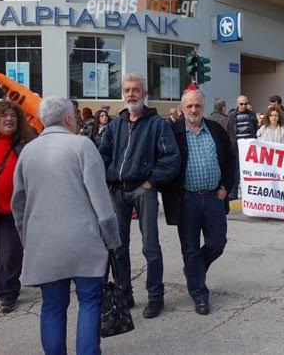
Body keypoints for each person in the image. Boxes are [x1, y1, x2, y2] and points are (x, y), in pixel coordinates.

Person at [12, 96, 121, 354]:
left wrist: (27, 239)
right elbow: (101, 202)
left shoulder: (28, 151)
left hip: (44, 244)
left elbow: (18, 203)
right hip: (84, 242)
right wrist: (113, 240)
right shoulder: (82, 146)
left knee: (52, 306)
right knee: (90, 302)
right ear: (70, 118)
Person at [99, 73, 181, 319]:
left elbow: (171, 158)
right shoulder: (115, 126)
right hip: (118, 191)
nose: (131, 94)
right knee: (119, 247)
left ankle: (155, 296)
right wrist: (110, 177)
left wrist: (152, 180)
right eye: (127, 90)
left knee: (150, 247)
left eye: (136, 90)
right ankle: (125, 292)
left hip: (143, 191)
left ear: (144, 94)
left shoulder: (157, 125)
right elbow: (101, 156)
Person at [161, 90, 234, 315]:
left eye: (197, 106)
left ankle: (194, 271)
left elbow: (230, 161)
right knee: (190, 248)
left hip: (213, 197)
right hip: (186, 199)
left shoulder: (215, 130)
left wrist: (225, 187)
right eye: (189, 106)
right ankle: (199, 293)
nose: (193, 110)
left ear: (203, 106)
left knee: (217, 242)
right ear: (183, 108)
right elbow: (163, 161)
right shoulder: (172, 132)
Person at [0, 101, 36, 313]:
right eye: (3, 115)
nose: (9, 119)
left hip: (13, 210)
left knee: (11, 252)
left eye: (13, 116)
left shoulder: (25, 144)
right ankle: (2, 284)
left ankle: (9, 292)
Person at [228, 95, 258, 200]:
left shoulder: (251, 115)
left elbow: (255, 128)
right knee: (236, 170)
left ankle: (249, 194)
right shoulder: (232, 116)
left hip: (249, 146)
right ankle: (234, 192)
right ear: (237, 104)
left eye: (245, 103)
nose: (244, 106)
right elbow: (230, 131)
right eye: (241, 104)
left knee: (249, 170)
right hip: (236, 146)